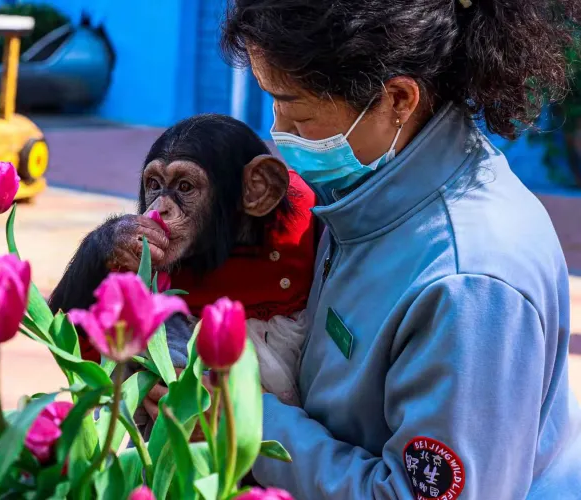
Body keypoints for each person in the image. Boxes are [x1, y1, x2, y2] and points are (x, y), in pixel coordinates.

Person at [145, 0, 581, 497]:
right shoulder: (365, 189)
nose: (280, 132)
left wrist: (245, 420)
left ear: (397, 99)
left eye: (299, 114)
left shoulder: (470, 283)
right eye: (273, 104)